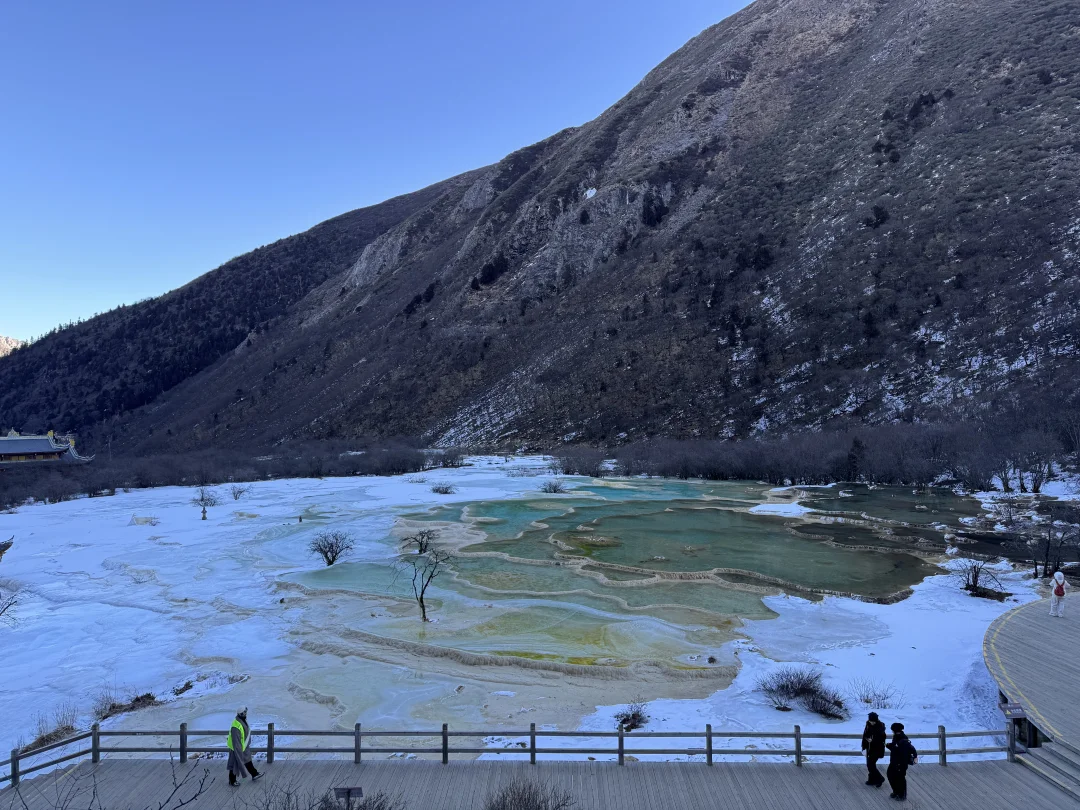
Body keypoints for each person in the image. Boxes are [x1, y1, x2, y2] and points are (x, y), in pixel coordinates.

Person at [227, 707, 263, 787]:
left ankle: (254, 774)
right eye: (244, 712)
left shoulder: (242, 720)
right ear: (241, 714)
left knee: (247, 760)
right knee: (234, 764)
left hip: (243, 746)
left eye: (246, 712)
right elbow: (236, 741)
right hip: (236, 748)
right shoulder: (235, 726)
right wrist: (239, 751)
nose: (246, 714)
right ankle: (232, 781)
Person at [885, 722, 917, 801]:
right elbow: (896, 748)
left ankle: (902, 795)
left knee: (900, 778)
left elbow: (909, 749)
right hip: (894, 761)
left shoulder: (903, 739)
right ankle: (896, 792)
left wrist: (915, 756)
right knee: (890, 775)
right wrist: (890, 745)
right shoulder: (896, 737)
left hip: (901, 763)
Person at [861, 711, 887, 787]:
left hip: (877, 749)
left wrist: (872, 741)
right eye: (870, 721)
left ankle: (880, 778)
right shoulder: (868, 725)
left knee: (871, 764)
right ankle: (872, 780)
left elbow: (882, 738)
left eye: (873, 721)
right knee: (870, 764)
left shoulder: (880, 727)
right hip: (869, 748)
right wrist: (865, 744)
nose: (872, 722)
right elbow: (865, 735)